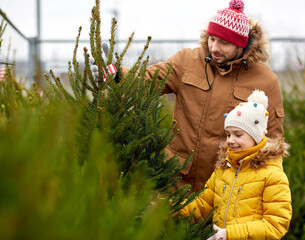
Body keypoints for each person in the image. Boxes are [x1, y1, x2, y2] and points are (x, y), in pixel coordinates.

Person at [92, 0, 285, 192]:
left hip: (227, 188)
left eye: (224, 42)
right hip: (176, 183)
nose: (215, 47)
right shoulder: (188, 61)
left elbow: (273, 143)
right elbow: (147, 80)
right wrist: (114, 74)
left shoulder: (265, 80)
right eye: (212, 39)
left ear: (241, 45)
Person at [177, 90, 292, 240]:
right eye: (228, 134)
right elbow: (201, 205)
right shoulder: (224, 169)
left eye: (238, 135)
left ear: (256, 136)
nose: (230, 140)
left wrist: (229, 234)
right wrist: (167, 209)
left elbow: (276, 224)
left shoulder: (272, 175)